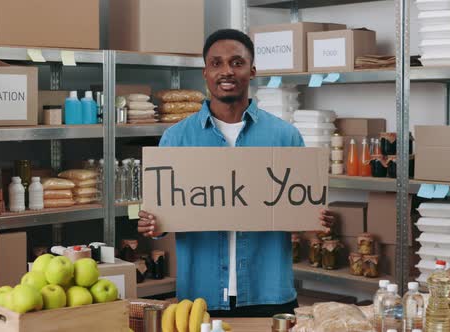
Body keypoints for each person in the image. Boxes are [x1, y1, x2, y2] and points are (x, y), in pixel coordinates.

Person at [137, 29, 335, 317]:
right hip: (200, 297)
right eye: (216, 63)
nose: (226, 71)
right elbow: (164, 218)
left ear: (252, 71)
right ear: (205, 72)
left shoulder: (285, 136)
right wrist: (154, 225)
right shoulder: (176, 138)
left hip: (269, 292)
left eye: (237, 62)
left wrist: (314, 219)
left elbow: (297, 209)